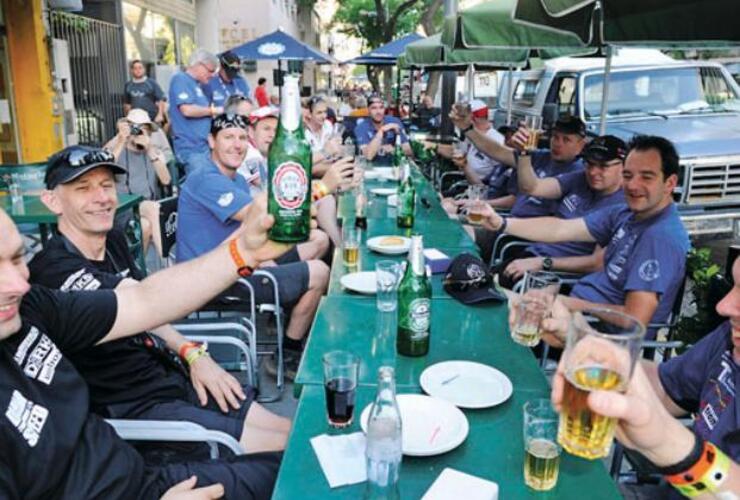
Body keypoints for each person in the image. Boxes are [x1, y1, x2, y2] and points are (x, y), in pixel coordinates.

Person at [0, 181, 303, 497]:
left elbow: (144, 302)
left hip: (147, 476)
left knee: (303, 468)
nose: (18, 285)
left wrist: (243, 252)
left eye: (18, 258)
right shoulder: (54, 268)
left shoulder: (31, 306)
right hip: (147, 435)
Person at [29, 145, 291, 457]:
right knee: (287, 450)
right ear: (52, 200)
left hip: (169, 374)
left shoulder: (111, 239)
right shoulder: (53, 271)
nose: (101, 198)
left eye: (107, 186)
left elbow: (150, 310)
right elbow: (142, 300)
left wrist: (191, 353)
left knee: (288, 429)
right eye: (83, 189)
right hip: (135, 406)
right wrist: (244, 251)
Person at [476, 135, 690, 338]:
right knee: (483, 293)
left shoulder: (659, 237)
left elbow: (634, 319)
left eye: (646, 177)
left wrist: (568, 303)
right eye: (628, 176)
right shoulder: (627, 213)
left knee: (492, 318)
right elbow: (560, 229)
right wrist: (501, 223)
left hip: (596, 337)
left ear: (670, 183)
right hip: (575, 311)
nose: (633, 185)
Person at [176, 114, 330, 379]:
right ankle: (287, 353)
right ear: (211, 141)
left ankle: (284, 313)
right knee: (319, 272)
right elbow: (263, 217)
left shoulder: (234, 178)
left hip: (237, 261)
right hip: (212, 279)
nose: (237, 145)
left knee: (318, 240)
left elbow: (258, 225)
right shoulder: (205, 178)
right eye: (227, 137)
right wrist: (325, 187)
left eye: (241, 138)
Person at [498, 135, 627, 286]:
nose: (593, 172)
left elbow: (595, 264)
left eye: (603, 166)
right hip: (529, 254)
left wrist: (543, 263)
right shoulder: (580, 179)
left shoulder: (622, 206)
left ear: (624, 167)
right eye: (589, 164)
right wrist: (524, 155)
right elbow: (531, 188)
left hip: (555, 275)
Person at [238, 106, 353, 247]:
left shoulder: (267, 153)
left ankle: (339, 244)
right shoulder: (250, 154)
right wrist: (325, 154)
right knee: (320, 234)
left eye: (276, 130)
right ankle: (340, 246)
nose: (272, 134)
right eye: (266, 129)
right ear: (250, 131)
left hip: (277, 212)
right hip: (264, 222)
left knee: (327, 199)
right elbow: (274, 184)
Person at [103, 109, 172, 256]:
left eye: (144, 129)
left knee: (146, 226)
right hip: (122, 210)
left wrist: (150, 150)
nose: (140, 133)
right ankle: (170, 266)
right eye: (136, 128)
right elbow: (103, 171)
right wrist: (122, 140)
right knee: (155, 209)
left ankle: (137, 271)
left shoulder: (152, 149)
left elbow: (166, 180)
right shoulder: (115, 146)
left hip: (146, 208)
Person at [168, 49, 222, 174]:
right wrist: (213, 110)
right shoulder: (180, 79)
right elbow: (187, 110)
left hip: (201, 147)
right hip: (191, 148)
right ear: (199, 65)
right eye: (210, 70)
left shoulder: (196, 85)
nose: (212, 75)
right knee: (201, 186)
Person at [438, 99, 505, 182]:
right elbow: (458, 153)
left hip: (482, 188)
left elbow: (499, 178)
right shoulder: (470, 135)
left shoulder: (497, 140)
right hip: (465, 181)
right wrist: (435, 147)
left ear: (472, 119)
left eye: (462, 117)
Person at [354, 94, 413, 166]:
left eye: (381, 107)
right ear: (368, 110)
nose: (378, 111)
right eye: (374, 108)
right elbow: (368, 156)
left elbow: (409, 151)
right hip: (371, 168)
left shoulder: (394, 121)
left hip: (394, 166)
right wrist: (381, 131)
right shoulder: (361, 127)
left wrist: (394, 150)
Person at [124, 59, 166, 126]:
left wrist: (160, 115)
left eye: (140, 68)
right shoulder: (128, 85)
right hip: (135, 120)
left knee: (153, 136)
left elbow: (161, 100)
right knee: (138, 136)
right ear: (131, 70)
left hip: (151, 119)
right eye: (135, 68)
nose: (138, 70)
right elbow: (127, 104)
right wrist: (128, 118)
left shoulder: (151, 83)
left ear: (144, 69)